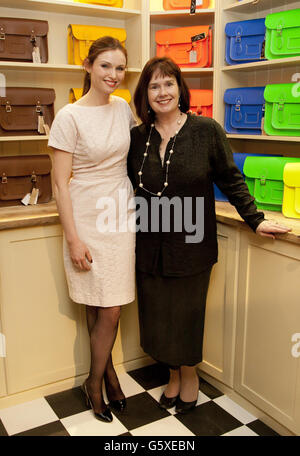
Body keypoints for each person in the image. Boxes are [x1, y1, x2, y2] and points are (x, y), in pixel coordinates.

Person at [127, 56, 291, 415]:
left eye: (169, 83)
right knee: (157, 317)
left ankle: (190, 377)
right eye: (154, 86)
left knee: (186, 316)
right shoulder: (136, 137)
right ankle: (172, 375)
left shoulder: (206, 130)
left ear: (180, 88)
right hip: (148, 248)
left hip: (192, 246)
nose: (162, 92)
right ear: (145, 94)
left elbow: (231, 179)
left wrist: (256, 219)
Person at [48, 36, 136, 423]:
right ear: (87, 66)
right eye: (105, 66)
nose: (113, 75)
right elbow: (58, 183)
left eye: (119, 68)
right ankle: (96, 382)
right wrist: (73, 238)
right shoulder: (69, 116)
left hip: (120, 212)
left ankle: (104, 375)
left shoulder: (122, 107)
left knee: (107, 303)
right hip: (85, 214)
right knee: (101, 302)